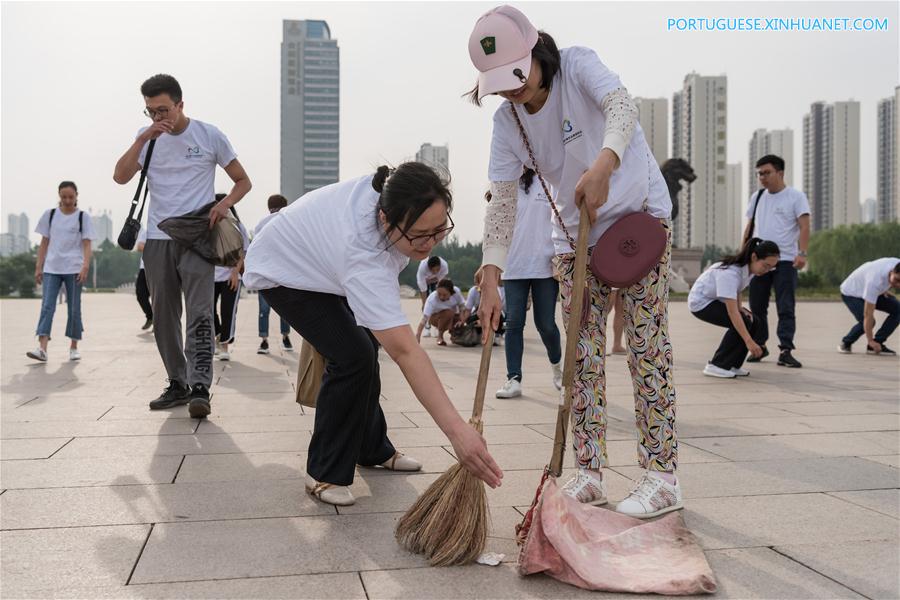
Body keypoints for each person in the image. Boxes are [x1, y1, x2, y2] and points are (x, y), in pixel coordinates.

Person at [468, 5, 680, 518]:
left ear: (536, 51)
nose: (511, 88)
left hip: (635, 220)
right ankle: (588, 471)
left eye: (517, 74)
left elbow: (621, 108)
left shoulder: (578, 66)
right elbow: (503, 199)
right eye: (499, 82)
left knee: (645, 350)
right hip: (572, 238)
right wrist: (491, 273)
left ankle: (662, 476)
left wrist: (604, 164)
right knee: (581, 362)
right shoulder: (507, 121)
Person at [242, 162, 502, 506]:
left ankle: (371, 448)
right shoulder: (364, 253)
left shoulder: (396, 188)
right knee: (352, 356)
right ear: (385, 220)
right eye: (418, 235)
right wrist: (458, 434)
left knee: (366, 348)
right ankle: (324, 472)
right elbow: (407, 352)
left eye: (439, 230)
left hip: (324, 265)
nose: (429, 244)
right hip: (283, 272)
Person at [113, 73, 251, 418]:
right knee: (163, 315)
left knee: (201, 312)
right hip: (158, 239)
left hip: (197, 237)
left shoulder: (208, 135)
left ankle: (200, 386)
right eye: (151, 112)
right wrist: (144, 136)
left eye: (163, 110)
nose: (159, 117)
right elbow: (120, 176)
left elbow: (243, 181)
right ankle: (178, 382)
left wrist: (223, 205)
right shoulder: (147, 139)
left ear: (180, 104)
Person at [486, 168, 562, 399]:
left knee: (546, 324)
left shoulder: (549, 179)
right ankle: (513, 379)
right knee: (514, 322)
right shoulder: (507, 183)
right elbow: (495, 227)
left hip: (546, 264)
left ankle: (558, 370)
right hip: (515, 264)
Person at [743, 154, 810, 368]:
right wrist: (743, 253)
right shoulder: (758, 196)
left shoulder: (795, 197)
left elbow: (805, 226)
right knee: (757, 306)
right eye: (759, 173)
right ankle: (760, 346)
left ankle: (786, 350)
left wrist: (803, 253)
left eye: (767, 172)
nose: (762, 177)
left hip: (785, 261)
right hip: (759, 262)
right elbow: (750, 226)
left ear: (780, 173)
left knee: (785, 307)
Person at [27, 181, 97, 362]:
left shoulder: (83, 217)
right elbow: (44, 243)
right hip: (52, 268)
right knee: (47, 307)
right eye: (64, 197)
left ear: (76, 196)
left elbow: (87, 244)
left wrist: (85, 266)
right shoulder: (50, 215)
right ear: (59, 196)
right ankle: (42, 348)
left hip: (74, 269)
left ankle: (74, 347)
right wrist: (38, 267)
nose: (67, 200)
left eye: (71, 197)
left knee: (74, 309)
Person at [689, 239, 781, 378]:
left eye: (771, 268)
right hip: (701, 303)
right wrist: (749, 341)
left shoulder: (748, 270)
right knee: (741, 321)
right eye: (766, 266)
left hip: (714, 300)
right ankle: (716, 365)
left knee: (754, 320)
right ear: (754, 257)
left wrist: (740, 308)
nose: (767, 271)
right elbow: (732, 313)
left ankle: (732, 365)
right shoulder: (730, 273)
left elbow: (738, 290)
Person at [253, 194, 293, 354]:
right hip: (284, 274)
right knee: (286, 309)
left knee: (263, 310)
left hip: (265, 273)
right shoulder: (289, 221)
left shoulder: (261, 225)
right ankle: (285, 338)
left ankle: (264, 341)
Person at [212, 196, 250, 362]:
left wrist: (235, 272)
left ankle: (224, 346)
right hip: (210, 277)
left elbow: (244, 252)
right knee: (208, 310)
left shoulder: (238, 226)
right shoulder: (209, 225)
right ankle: (218, 337)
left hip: (230, 277)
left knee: (228, 311)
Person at [838, 258, 900, 356]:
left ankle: (877, 343)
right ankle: (846, 342)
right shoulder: (875, 281)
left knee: (898, 309)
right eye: (897, 280)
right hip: (852, 293)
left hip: (871, 288)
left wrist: (883, 289)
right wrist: (870, 340)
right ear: (892, 271)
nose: (898, 285)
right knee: (869, 321)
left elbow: (889, 280)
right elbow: (868, 314)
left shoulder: (897, 264)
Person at [416, 278, 466, 346]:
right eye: (439, 294)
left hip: (453, 315)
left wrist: (462, 320)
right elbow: (424, 319)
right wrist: (418, 335)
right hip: (434, 318)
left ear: (451, 293)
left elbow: (462, 306)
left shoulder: (456, 292)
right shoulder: (432, 299)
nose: (441, 297)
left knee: (461, 318)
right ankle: (440, 336)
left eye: (445, 295)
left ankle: (455, 336)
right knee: (448, 313)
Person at [417, 255, 449, 338]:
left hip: (436, 280)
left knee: (438, 303)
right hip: (425, 281)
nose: (435, 271)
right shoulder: (422, 268)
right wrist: (424, 303)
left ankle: (437, 326)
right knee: (426, 305)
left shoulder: (444, 265)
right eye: (433, 270)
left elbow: (442, 284)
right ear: (428, 268)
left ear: (440, 266)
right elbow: (423, 289)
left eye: (437, 269)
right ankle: (427, 328)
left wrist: (441, 297)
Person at [135, 227, 153, 331]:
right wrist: (156, 248)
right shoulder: (148, 231)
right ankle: (151, 316)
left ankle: (160, 323)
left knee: (160, 298)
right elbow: (139, 246)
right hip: (145, 268)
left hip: (161, 268)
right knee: (140, 294)